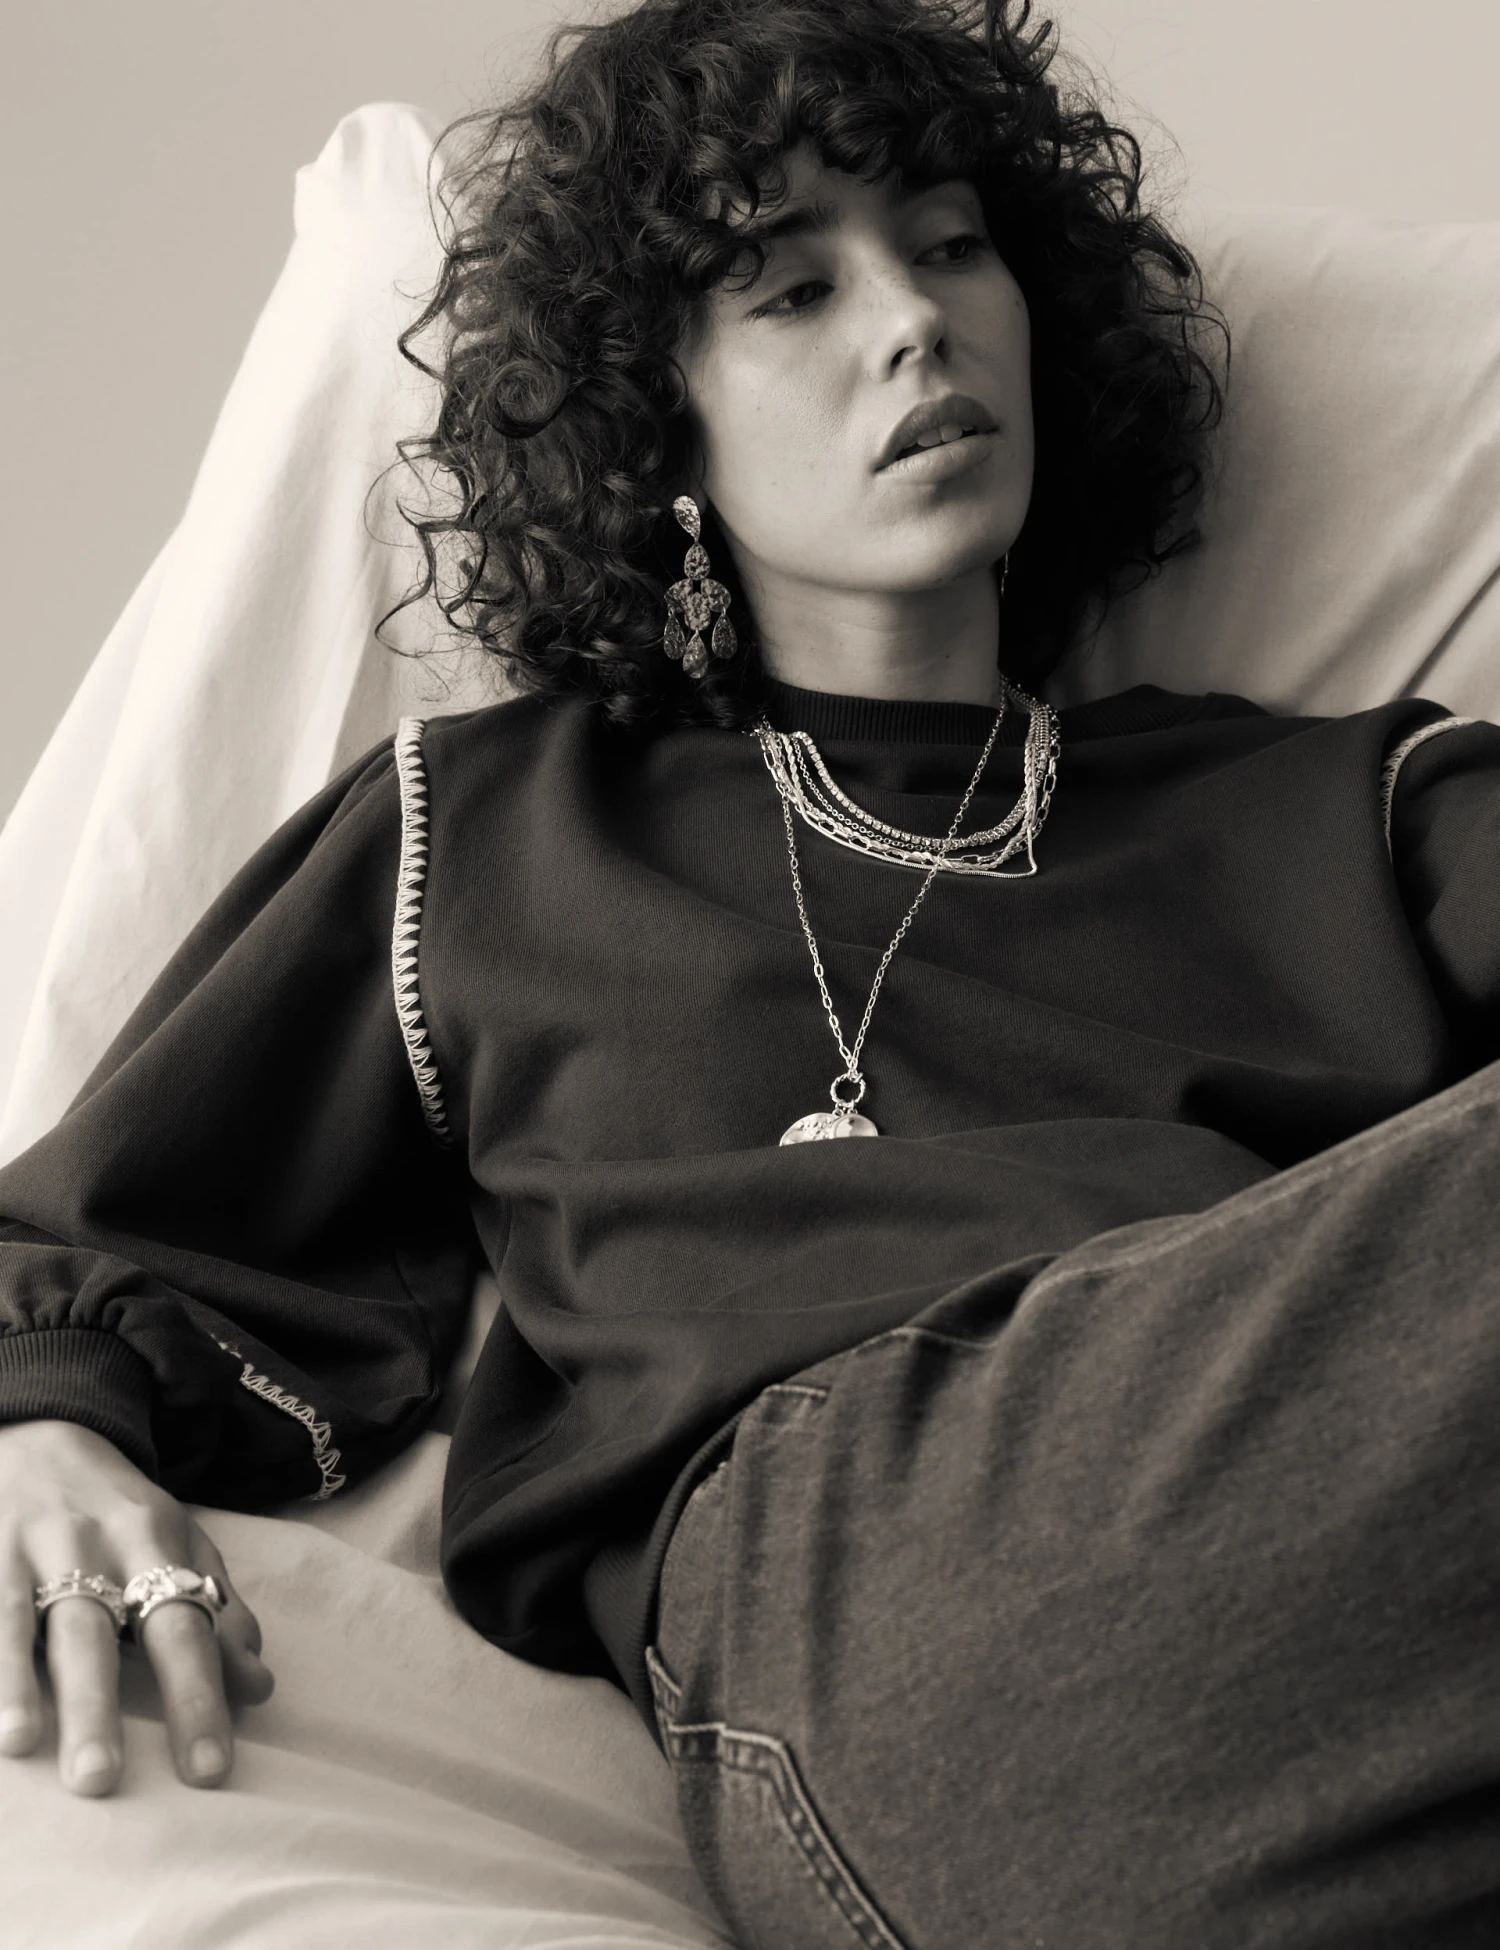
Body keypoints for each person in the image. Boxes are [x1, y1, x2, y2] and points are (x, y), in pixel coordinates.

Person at [3, 0, 1499, 1940]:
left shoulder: (1341, 800)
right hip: (891, 1618)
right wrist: (47, 1426)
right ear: (664, 430)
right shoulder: (507, 824)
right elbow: (97, 1228)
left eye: (951, 245)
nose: (916, 318)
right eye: (794, 290)